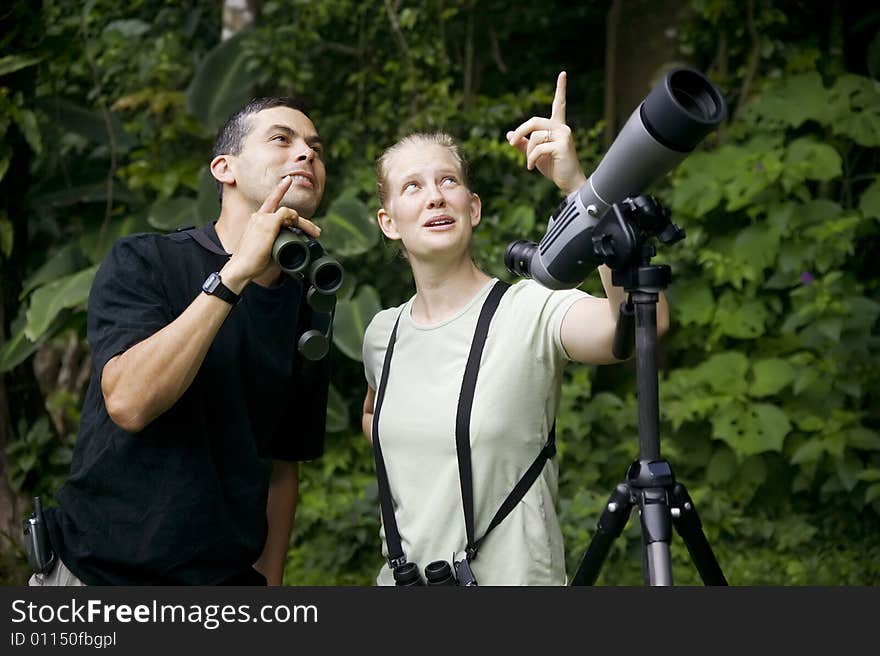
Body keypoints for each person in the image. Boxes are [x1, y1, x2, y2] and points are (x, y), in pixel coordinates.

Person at [360, 72, 670, 585]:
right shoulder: (381, 335)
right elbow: (377, 416)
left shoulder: (530, 310)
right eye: (412, 187)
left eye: (448, 181)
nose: (434, 197)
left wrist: (582, 191)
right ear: (388, 221)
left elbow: (645, 324)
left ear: (473, 208)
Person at [32, 97, 331, 586]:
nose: (307, 155)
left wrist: (270, 586)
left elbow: (282, 463)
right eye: (282, 139)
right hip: (99, 579)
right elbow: (129, 402)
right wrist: (234, 275)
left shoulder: (308, 302)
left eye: (315, 149)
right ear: (224, 168)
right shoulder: (145, 260)